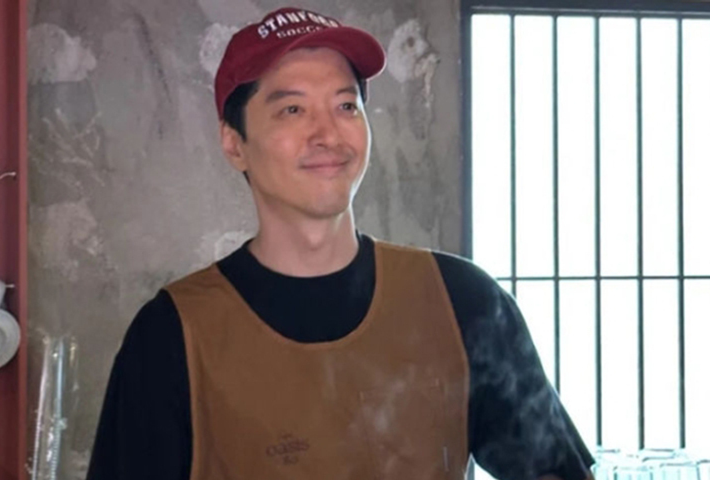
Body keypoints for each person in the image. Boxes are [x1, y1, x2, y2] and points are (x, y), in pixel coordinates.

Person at [86, 6, 594, 480]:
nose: (328, 134)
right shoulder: (173, 334)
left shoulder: (462, 300)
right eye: (292, 110)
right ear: (234, 143)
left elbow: (553, 469)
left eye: (346, 106)